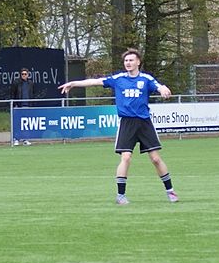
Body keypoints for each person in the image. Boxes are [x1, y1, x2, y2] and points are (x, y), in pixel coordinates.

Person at [58, 48, 178, 205]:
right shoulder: (119, 79)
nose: (128, 63)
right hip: (126, 123)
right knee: (126, 157)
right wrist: (74, 83)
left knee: (155, 159)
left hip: (144, 123)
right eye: (126, 61)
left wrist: (163, 89)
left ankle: (170, 191)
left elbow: (158, 86)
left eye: (131, 60)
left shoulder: (145, 79)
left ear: (138, 62)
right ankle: (121, 195)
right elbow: (96, 81)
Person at [11, 67, 33, 146]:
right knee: (17, 123)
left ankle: (25, 140)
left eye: (25, 74)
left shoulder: (30, 83)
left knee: (26, 124)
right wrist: (14, 104)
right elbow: (13, 94)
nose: (24, 75)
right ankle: (16, 139)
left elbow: (32, 94)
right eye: (22, 74)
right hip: (19, 106)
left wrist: (31, 104)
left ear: (28, 74)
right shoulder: (16, 82)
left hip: (27, 106)